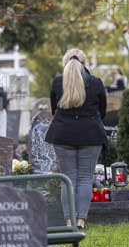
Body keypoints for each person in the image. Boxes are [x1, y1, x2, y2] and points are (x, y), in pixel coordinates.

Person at [45, 48, 107, 230]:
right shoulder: (96, 83)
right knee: (85, 178)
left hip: (63, 134)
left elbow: (53, 109)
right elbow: (102, 112)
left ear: (65, 63)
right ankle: (81, 221)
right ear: (84, 63)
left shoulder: (57, 82)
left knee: (68, 179)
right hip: (91, 135)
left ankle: (68, 221)